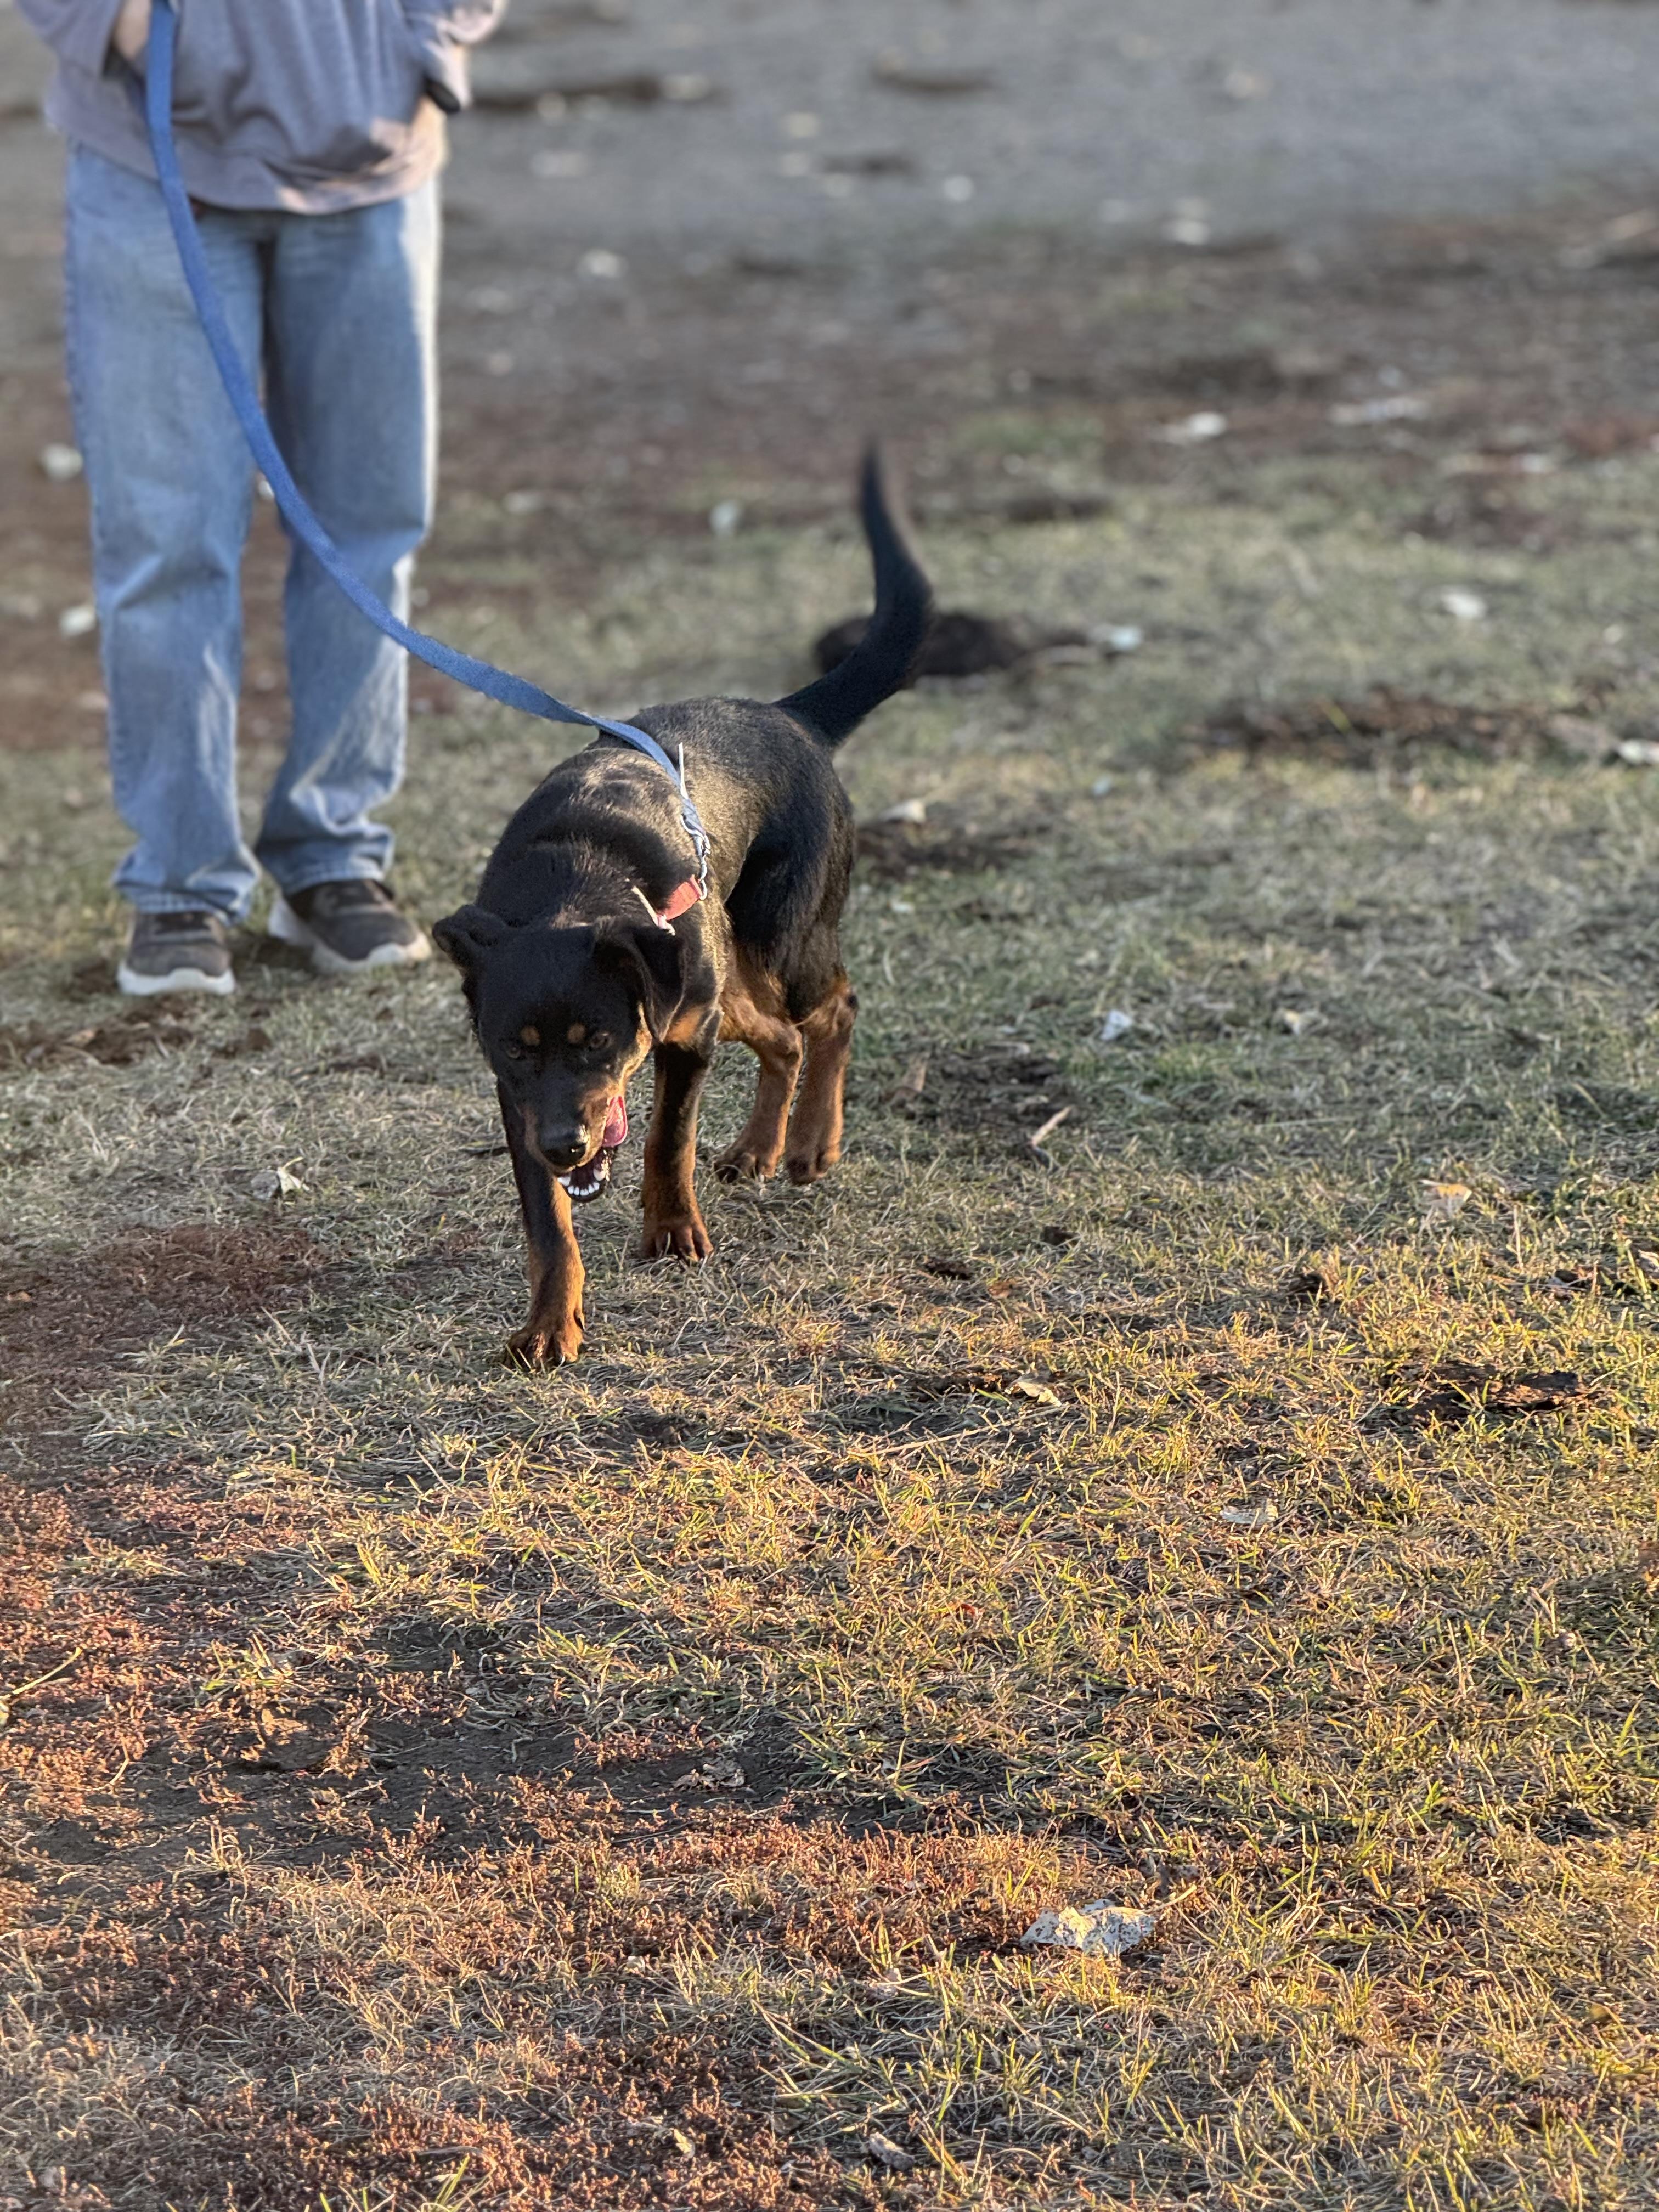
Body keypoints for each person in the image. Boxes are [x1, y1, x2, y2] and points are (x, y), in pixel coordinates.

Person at [19, 0, 506, 994]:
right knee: (170, 541)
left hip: (375, 166)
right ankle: (180, 884)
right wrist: (112, 24)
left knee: (367, 530)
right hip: (153, 169)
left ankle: (333, 855)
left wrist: (427, 41)